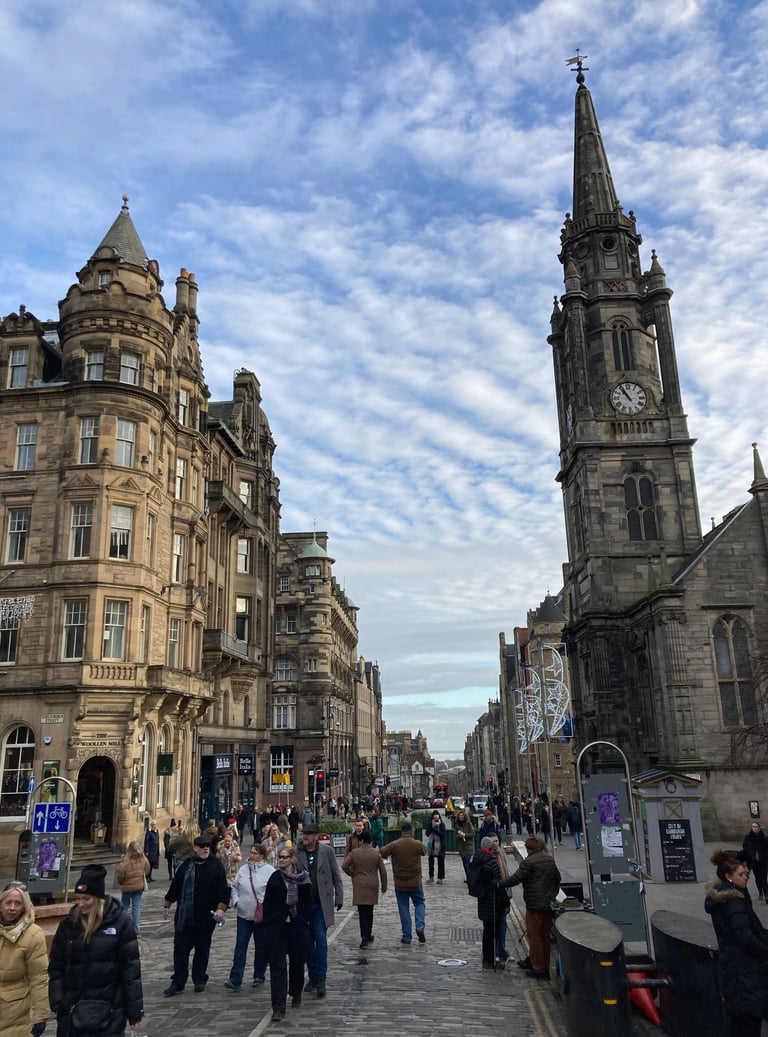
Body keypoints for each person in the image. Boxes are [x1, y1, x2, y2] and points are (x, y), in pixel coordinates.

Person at [49, 865, 143, 1035]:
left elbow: (130, 969)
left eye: (86, 899)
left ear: (98, 898)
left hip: (109, 1010)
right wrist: (57, 1002)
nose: (81, 904)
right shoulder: (68, 926)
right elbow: (56, 967)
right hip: (73, 1009)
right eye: (77, 899)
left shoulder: (120, 922)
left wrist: (135, 1012)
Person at [705, 849, 768, 1036]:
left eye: (746, 873)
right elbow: (745, 936)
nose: (745, 877)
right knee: (749, 1023)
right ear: (728, 877)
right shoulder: (735, 903)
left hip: (733, 970)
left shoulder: (722, 899)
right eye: (741, 874)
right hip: (746, 973)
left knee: (738, 1023)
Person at [162, 835, 230, 997]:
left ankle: (199, 979)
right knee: (180, 950)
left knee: (202, 949)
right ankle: (178, 981)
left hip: (206, 917)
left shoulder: (215, 865)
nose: (206, 848)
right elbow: (176, 885)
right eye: (202, 846)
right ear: (195, 848)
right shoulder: (187, 864)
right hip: (185, 916)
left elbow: (223, 889)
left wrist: (221, 909)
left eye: (207, 846)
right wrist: (167, 903)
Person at [263, 843, 312, 1022]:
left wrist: (304, 918)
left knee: (297, 963)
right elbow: (267, 904)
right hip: (278, 927)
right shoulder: (275, 878)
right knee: (278, 967)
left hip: (297, 926)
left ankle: (296, 992)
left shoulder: (303, 878)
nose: (281, 860)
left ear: (292, 859)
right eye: (280, 857)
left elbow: (308, 902)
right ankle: (278, 1007)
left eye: (284, 857)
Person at [502, 834, 561, 980]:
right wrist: (552, 894)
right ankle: (543, 965)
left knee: (534, 938)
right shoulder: (549, 859)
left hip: (535, 905)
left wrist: (500, 883)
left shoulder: (529, 862)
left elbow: (516, 878)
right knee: (544, 937)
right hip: (548, 904)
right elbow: (557, 879)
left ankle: (539, 969)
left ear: (529, 848)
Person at [295, 822, 343, 998]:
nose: (305, 837)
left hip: (321, 903)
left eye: (308, 834)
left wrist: (339, 897)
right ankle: (313, 975)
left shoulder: (327, 852)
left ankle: (321, 978)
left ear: (316, 836)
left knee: (320, 939)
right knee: (307, 942)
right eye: (304, 834)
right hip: (303, 904)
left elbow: (336, 876)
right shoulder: (297, 852)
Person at [0, 880, 49, 1037]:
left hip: (15, 1012)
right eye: (8, 903)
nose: (12, 908)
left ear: (25, 906)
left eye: (18, 903)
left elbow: (39, 977)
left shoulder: (33, 934)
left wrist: (41, 1016)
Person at [225, 841, 274, 990]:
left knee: (260, 947)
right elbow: (234, 887)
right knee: (240, 946)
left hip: (261, 916)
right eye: (251, 852)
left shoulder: (269, 871)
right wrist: (236, 902)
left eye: (255, 853)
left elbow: (273, 892)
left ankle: (259, 976)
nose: (251, 855)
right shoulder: (243, 870)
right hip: (243, 915)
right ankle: (235, 978)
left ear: (261, 856)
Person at [379, 819, 427, 944]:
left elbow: (382, 852)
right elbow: (425, 851)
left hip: (400, 883)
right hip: (415, 882)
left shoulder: (395, 844)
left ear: (402, 832)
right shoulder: (417, 844)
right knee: (420, 904)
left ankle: (407, 936)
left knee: (403, 908)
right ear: (412, 832)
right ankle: (420, 926)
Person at [468, 836, 509, 970]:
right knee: (494, 932)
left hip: (483, 899)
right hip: (494, 901)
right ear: (490, 848)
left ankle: (487, 958)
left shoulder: (476, 859)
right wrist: (506, 902)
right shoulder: (491, 861)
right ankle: (491, 959)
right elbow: (499, 884)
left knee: (487, 931)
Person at [342, 828, 387, 947]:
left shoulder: (354, 853)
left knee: (362, 912)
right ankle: (369, 932)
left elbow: (344, 866)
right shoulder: (376, 853)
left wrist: (352, 873)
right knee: (370, 910)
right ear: (371, 841)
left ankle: (364, 938)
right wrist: (384, 885)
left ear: (361, 841)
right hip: (372, 883)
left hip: (359, 883)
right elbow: (383, 872)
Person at [116, 839, 150, 933]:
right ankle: (136, 928)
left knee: (124, 907)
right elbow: (147, 869)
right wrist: (141, 877)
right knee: (136, 907)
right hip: (139, 886)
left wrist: (122, 882)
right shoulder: (143, 859)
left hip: (127, 887)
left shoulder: (126, 861)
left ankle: (122, 927)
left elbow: (121, 875)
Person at [742, 821, 768, 902]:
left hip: (763, 861)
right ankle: (760, 892)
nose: (755, 828)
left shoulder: (764, 838)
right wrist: (748, 856)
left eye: (756, 826)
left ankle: (766, 895)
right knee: (758, 878)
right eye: (753, 826)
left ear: (759, 828)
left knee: (764, 878)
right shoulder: (748, 837)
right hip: (754, 862)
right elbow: (745, 847)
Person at [426, 810, 447, 884]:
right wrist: (431, 829)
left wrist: (435, 830)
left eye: (437, 814)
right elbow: (427, 833)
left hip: (440, 845)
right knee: (430, 861)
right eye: (434, 814)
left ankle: (440, 878)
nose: (435, 816)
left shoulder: (442, 824)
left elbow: (443, 834)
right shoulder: (430, 824)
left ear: (439, 816)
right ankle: (431, 877)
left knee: (440, 862)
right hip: (431, 844)